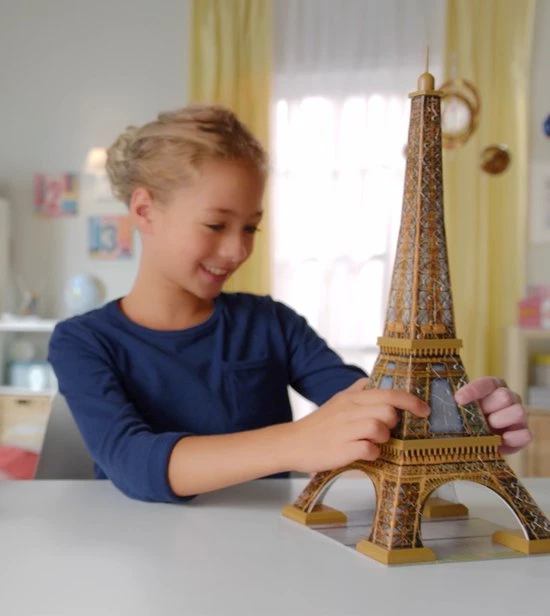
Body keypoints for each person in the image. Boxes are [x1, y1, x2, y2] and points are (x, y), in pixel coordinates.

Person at [48, 105, 531, 503]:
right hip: (138, 557)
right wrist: (297, 442)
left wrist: (454, 419)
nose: (237, 250)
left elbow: (358, 398)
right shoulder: (82, 341)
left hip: (270, 552)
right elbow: (133, 462)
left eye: (250, 227)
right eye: (216, 225)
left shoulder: (271, 323)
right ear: (144, 210)